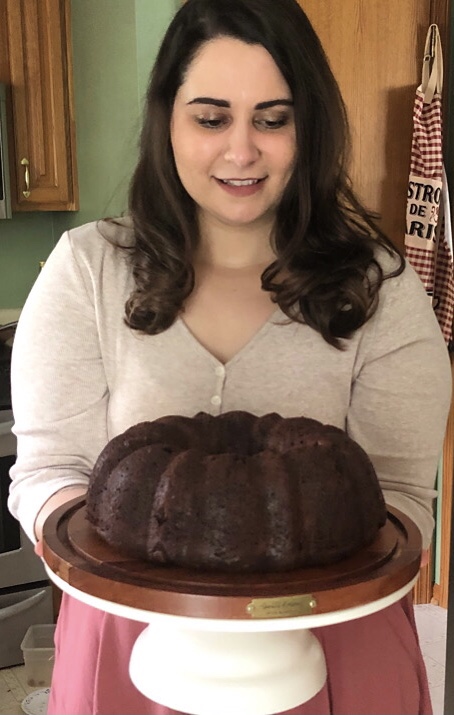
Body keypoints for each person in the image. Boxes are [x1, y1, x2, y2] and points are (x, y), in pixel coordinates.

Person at [8, 0, 451, 713]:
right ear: (169, 119)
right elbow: (48, 472)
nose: (241, 150)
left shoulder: (380, 289)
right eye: (211, 117)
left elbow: (398, 500)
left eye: (273, 119)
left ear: (308, 126)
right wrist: (140, 573)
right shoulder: (87, 270)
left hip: (334, 647)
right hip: (132, 643)